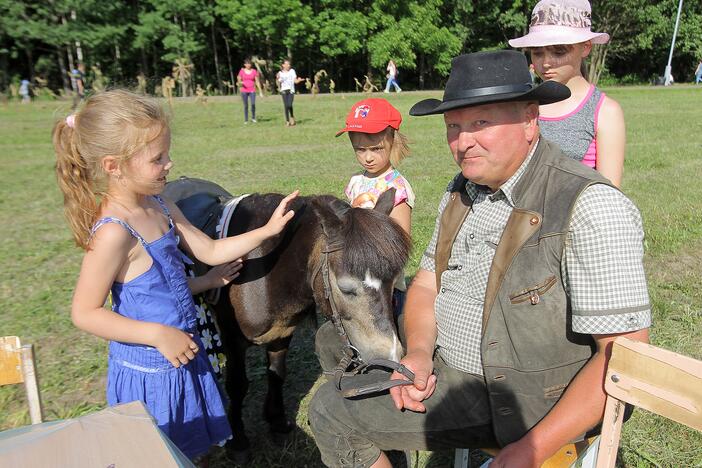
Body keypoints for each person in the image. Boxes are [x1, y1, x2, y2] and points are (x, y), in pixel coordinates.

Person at [308, 50, 651, 468]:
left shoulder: (589, 206)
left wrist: (532, 448)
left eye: (481, 123)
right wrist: (417, 351)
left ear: (530, 119)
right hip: (450, 368)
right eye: (453, 126)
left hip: (526, 400)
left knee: (331, 410)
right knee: (331, 368)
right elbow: (428, 282)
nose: (463, 141)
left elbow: (624, 360)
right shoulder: (463, 189)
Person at [52, 89, 298, 461]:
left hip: (182, 354)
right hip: (150, 371)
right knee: (158, 454)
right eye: (157, 158)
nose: (169, 164)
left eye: (166, 153)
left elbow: (208, 251)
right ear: (113, 166)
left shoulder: (159, 203)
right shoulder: (113, 232)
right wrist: (157, 334)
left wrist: (265, 233)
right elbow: (85, 312)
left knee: (188, 453)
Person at [509, 0, 625, 187]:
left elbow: (611, 195)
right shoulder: (521, 104)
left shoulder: (605, 111)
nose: (546, 62)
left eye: (559, 52)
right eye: (537, 53)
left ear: (586, 47)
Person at [336, 98, 415, 315]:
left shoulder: (397, 187)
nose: (367, 157)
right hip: (355, 276)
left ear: (393, 140)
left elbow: (400, 243)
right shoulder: (356, 182)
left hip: (384, 285)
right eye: (360, 149)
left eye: (376, 148)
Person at [276, 59, 304, 126]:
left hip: (291, 90)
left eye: (289, 64)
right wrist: (277, 78)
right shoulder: (280, 73)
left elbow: (295, 81)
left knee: (289, 105)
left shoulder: (292, 71)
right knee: (286, 106)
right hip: (284, 90)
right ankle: (287, 121)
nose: (288, 65)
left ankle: (291, 116)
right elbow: (278, 81)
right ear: (283, 65)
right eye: (287, 64)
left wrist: (299, 80)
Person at [237, 58, 263, 124]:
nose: (248, 65)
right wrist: (241, 82)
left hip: (252, 90)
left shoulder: (254, 71)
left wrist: (260, 91)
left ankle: (253, 118)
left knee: (253, 104)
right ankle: (246, 119)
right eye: (247, 64)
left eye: (249, 64)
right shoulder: (242, 71)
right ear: (244, 64)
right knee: (246, 105)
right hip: (244, 90)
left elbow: (257, 81)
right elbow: (239, 79)